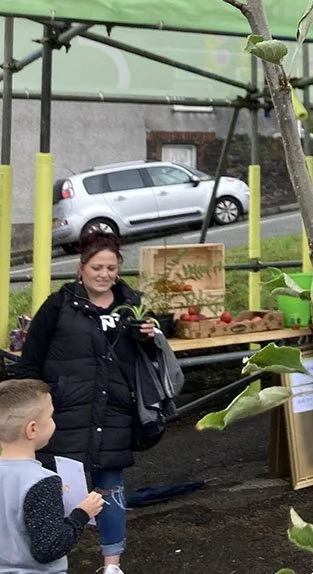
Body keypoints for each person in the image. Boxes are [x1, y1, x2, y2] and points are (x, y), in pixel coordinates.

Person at [15, 231, 157, 574]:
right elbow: (30, 358)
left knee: (110, 486)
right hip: (64, 413)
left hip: (114, 411)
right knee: (60, 488)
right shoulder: (58, 306)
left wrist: (150, 338)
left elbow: (148, 362)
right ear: (81, 268)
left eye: (111, 267)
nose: (104, 274)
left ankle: (112, 563)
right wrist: (36, 402)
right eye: (97, 267)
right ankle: (57, 556)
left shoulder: (132, 306)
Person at [0, 379, 106, 573]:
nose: (53, 421)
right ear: (32, 429)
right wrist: (82, 513)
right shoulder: (42, 481)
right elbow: (49, 548)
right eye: (50, 416)